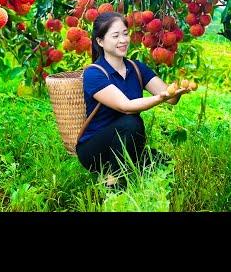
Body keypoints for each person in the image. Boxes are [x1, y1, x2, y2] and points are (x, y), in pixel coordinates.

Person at [75, 12, 190, 187]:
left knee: (165, 164)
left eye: (125, 33)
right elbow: (126, 107)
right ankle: (113, 181)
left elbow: (170, 99)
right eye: (115, 35)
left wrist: (178, 89)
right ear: (100, 41)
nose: (123, 40)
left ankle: (127, 170)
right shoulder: (94, 73)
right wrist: (161, 97)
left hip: (126, 142)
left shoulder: (136, 68)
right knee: (131, 121)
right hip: (94, 149)